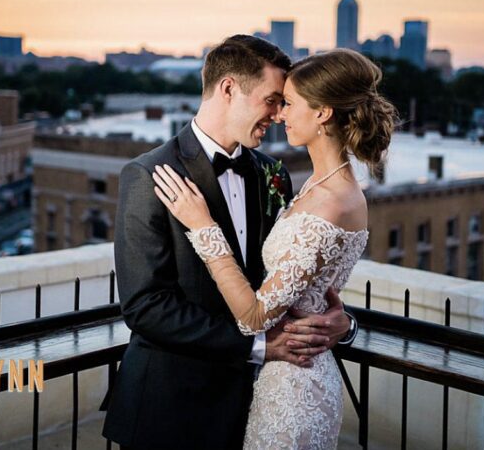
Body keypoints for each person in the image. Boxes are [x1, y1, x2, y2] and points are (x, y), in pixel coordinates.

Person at [102, 35, 357, 450]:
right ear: (228, 89)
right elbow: (145, 307)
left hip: (254, 409)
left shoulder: (272, 173)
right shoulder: (150, 175)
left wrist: (343, 325)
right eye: (272, 100)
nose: (278, 115)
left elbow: (292, 280)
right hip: (172, 411)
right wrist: (259, 346)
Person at [152, 48, 398, 449]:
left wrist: (203, 227)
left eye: (289, 103)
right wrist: (338, 320)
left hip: (295, 387)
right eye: (277, 102)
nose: (280, 114)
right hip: (244, 385)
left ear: (322, 114)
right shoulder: (312, 185)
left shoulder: (330, 200)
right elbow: (309, 284)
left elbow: (255, 317)